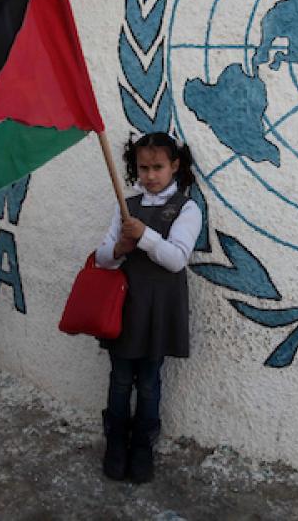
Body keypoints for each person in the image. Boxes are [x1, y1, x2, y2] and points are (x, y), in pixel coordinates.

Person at [94, 131, 201, 483]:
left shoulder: (187, 208)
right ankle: (116, 443)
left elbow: (176, 259)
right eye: (143, 168)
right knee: (120, 379)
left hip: (159, 308)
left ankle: (142, 446)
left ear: (175, 166)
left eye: (158, 167)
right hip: (126, 307)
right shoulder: (125, 206)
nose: (150, 175)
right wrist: (120, 248)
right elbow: (102, 258)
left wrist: (144, 236)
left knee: (150, 382)